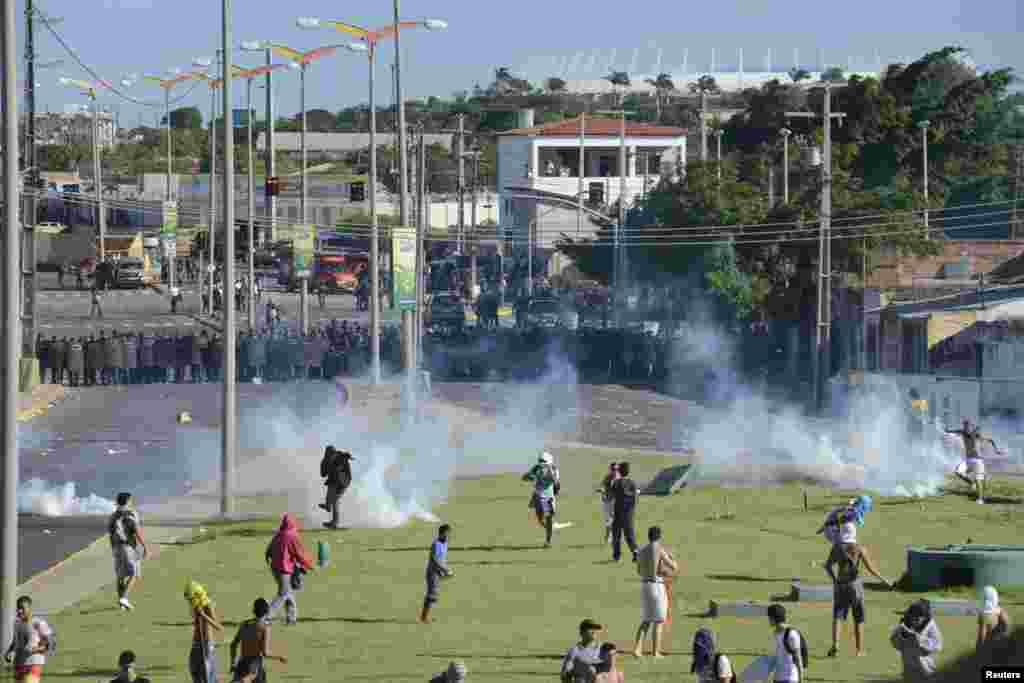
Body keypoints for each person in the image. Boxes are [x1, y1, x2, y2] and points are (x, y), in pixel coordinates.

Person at [823, 523, 892, 657]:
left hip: (840, 584)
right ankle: (859, 650)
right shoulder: (859, 549)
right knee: (858, 618)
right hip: (855, 586)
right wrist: (884, 580)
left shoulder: (837, 548)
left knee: (838, 616)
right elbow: (871, 569)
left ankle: (835, 645)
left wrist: (834, 580)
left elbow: (828, 566)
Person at [632, 526, 677, 658]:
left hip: (644, 585)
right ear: (659, 536)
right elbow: (673, 567)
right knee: (659, 621)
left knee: (646, 620)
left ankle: (637, 649)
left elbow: (639, 571)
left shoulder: (642, 550)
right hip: (657, 586)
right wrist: (671, 557)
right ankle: (655, 652)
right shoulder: (658, 548)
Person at [264, 514, 315, 625]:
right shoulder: (292, 536)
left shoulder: (278, 535)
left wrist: (269, 560)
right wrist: (310, 565)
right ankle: (266, 616)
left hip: (275, 568)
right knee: (283, 593)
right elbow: (300, 554)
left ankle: (291, 618)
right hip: (284, 569)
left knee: (288, 592)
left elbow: (268, 551)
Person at [230, 598, 287, 683]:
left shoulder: (244, 624)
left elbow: (233, 645)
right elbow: (265, 652)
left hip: (241, 663)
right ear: (267, 612)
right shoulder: (265, 628)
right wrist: (280, 657)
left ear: (254, 610)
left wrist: (233, 663)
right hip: (254, 665)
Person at [947, 419, 1004, 504]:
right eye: (965, 426)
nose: (967, 428)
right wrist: (946, 430)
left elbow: (990, 440)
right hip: (968, 460)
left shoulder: (976, 434)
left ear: (972, 427)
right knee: (958, 472)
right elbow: (951, 431)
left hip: (978, 460)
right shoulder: (962, 432)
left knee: (979, 479)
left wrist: (996, 450)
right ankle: (971, 483)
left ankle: (980, 499)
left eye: (968, 426)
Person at [109, 492, 148, 611]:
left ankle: (121, 602)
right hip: (128, 547)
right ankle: (124, 597)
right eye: (131, 500)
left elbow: (111, 533)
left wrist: (114, 548)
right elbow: (136, 531)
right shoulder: (131, 514)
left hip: (116, 547)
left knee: (120, 576)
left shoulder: (113, 516)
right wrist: (144, 546)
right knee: (134, 574)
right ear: (127, 501)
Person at [890, 599, 942, 681]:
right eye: (911, 617)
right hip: (908, 670)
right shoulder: (905, 624)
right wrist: (900, 635)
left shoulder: (930, 626)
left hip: (926, 671)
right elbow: (895, 644)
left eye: (917, 619)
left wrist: (919, 640)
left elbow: (937, 645)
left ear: (924, 617)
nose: (913, 621)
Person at [4, 596, 52, 683]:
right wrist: (9, 652)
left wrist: (35, 649)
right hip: (18, 664)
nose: (19, 611)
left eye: (22, 608)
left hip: (33, 663)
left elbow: (49, 644)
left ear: (29, 608)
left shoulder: (38, 623)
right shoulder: (17, 623)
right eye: (18, 608)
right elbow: (15, 642)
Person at [185, 581, 223, 683]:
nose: (190, 601)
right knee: (195, 672)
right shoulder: (196, 606)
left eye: (191, 598)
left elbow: (218, 627)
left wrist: (204, 615)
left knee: (208, 676)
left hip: (206, 645)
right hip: (196, 644)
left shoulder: (208, 606)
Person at [522, 452, 560, 548]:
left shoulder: (553, 470)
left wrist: (553, 479)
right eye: (540, 462)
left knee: (548, 518)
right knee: (540, 519)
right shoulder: (536, 468)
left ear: (549, 463)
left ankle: (548, 541)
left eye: (544, 462)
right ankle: (550, 528)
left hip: (548, 497)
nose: (541, 464)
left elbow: (557, 485)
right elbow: (525, 477)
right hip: (537, 496)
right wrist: (529, 477)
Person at [420, 524, 454, 624]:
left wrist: (444, 570)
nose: (449, 536)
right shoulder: (436, 544)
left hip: (439, 572)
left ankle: (426, 617)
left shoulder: (445, 543)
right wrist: (444, 570)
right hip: (432, 573)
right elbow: (434, 559)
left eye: (449, 534)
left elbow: (442, 558)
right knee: (431, 595)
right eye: (447, 534)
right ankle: (424, 618)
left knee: (434, 595)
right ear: (441, 534)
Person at [766, 604, 805, 683]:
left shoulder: (791, 634)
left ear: (773, 619)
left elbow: (798, 658)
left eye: (769, 618)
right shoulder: (776, 633)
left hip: (790, 678)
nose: (768, 620)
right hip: (778, 677)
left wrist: (801, 679)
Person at [318, 446, 354, 529]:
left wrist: (348, 456)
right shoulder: (325, 461)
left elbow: (347, 455)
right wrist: (324, 465)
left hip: (344, 481)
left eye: (333, 454)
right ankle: (327, 505)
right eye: (330, 455)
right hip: (334, 480)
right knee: (330, 487)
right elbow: (323, 474)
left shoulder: (341, 456)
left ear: (335, 453)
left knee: (335, 500)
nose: (332, 456)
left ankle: (334, 522)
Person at [610, 462, 639, 562]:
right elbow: (635, 498)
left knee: (616, 535)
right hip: (629, 512)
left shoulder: (616, 483)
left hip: (618, 512)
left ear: (620, 471)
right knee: (629, 535)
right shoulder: (632, 483)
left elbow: (611, 494)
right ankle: (635, 552)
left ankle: (616, 556)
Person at [560, 619, 603, 683]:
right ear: (582, 632)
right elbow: (564, 675)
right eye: (590, 628)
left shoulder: (603, 649)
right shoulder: (574, 651)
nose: (594, 631)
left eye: (596, 629)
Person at [977, 586, 1011, 652]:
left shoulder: (983, 614)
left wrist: (978, 650)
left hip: (990, 646)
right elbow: (1006, 626)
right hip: (999, 644)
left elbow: (981, 636)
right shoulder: (1000, 611)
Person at [596, 463, 619, 545]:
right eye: (613, 469)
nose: (614, 471)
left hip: (614, 501)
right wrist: (601, 490)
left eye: (616, 470)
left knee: (612, 519)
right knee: (608, 520)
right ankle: (609, 537)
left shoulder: (619, 478)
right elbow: (602, 485)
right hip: (606, 501)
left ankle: (610, 537)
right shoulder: (607, 477)